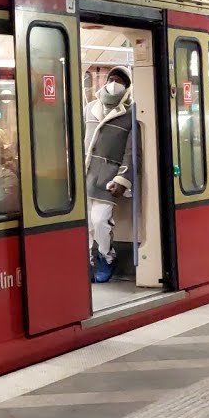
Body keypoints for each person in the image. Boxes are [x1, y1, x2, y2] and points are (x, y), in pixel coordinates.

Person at [84, 65, 133, 284]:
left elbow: (131, 152)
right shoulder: (90, 108)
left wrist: (123, 178)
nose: (114, 83)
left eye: (121, 81)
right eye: (111, 78)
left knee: (100, 220)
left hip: (108, 176)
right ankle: (90, 261)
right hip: (86, 174)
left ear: (127, 87)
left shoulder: (130, 114)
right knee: (86, 224)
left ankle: (107, 256)